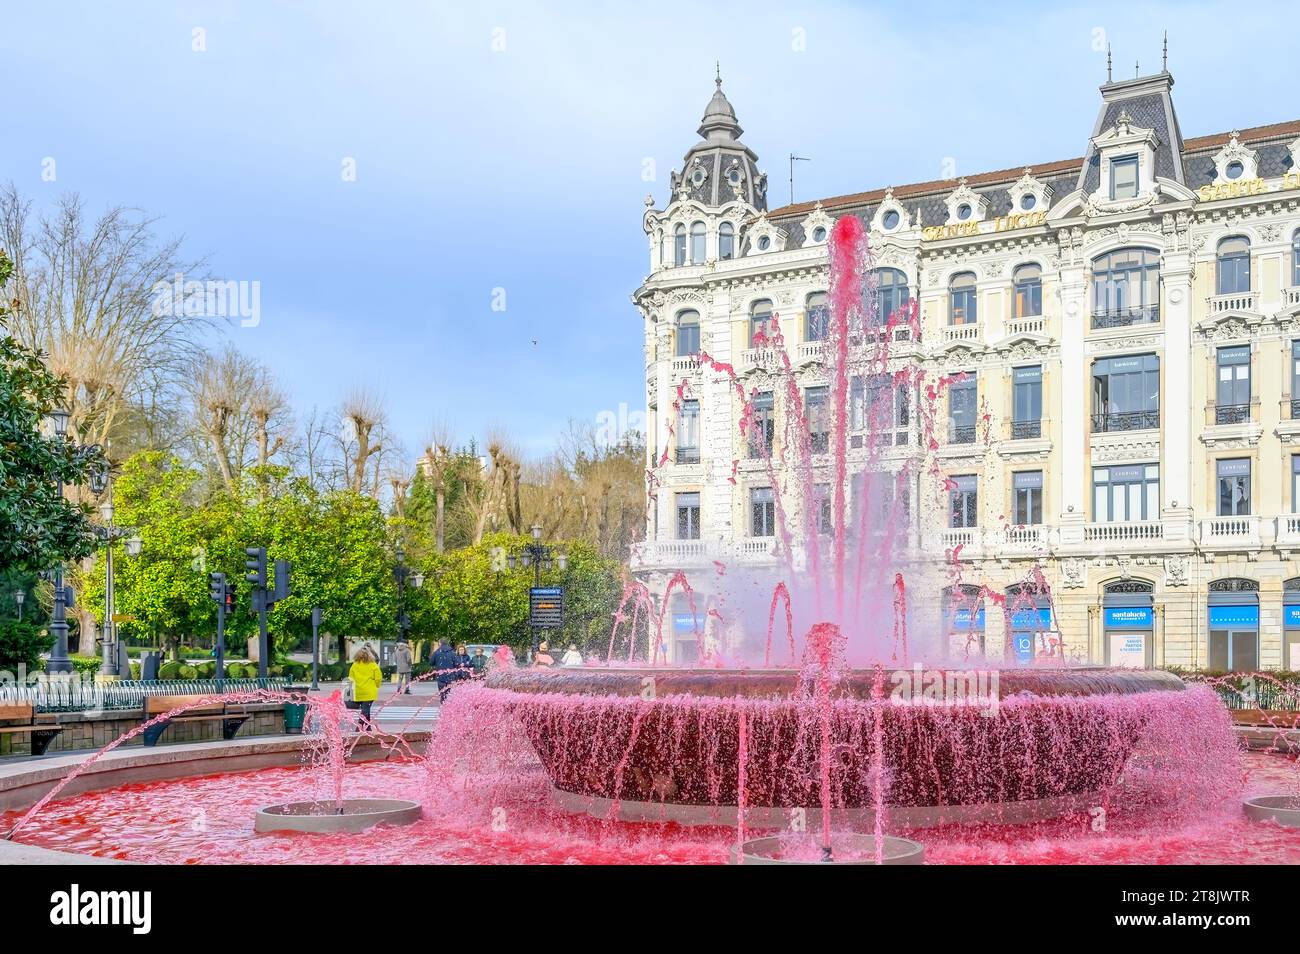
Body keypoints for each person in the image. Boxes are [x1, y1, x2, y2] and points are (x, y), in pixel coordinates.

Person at [347, 646, 383, 732]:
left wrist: (350, 689)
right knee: (366, 708)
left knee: (366, 708)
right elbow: (378, 678)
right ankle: (359, 725)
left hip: (358, 691)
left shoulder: (354, 665)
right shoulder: (373, 665)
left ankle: (368, 726)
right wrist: (377, 686)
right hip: (370, 691)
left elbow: (350, 678)